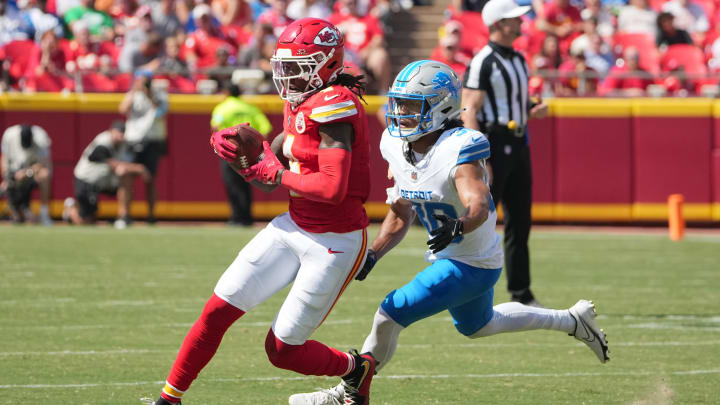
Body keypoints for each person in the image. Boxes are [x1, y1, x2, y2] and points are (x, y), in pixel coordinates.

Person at [288, 60, 609, 405]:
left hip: (471, 262)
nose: (401, 113)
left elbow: (479, 204)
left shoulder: (460, 146)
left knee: (389, 314)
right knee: (479, 326)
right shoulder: (395, 145)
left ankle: (348, 394)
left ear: (441, 106)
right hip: (459, 258)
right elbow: (400, 212)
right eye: (399, 103)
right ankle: (572, 320)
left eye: (411, 105)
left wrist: (460, 224)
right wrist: (374, 253)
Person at [151, 18, 375, 405]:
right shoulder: (303, 100)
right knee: (216, 311)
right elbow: (279, 155)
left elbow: (332, 189)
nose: (287, 76)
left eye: (297, 67)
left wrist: (276, 172)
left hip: (334, 241)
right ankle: (168, 400)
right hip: (294, 224)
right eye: (284, 66)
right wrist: (245, 149)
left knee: (283, 350)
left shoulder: (335, 105)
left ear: (327, 64)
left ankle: (357, 368)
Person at [461, 0, 548, 306]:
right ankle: (466, 288)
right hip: (495, 145)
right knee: (482, 220)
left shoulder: (519, 59)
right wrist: (479, 157)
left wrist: (531, 110)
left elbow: (514, 103)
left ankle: (521, 292)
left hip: (520, 144)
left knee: (520, 221)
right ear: (498, 23)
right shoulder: (484, 60)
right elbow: (469, 109)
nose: (521, 23)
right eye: (514, 19)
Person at [63, 120, 150, 225]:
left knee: (126, 175)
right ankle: (71, 210)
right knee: (86, 221)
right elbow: (115, 165)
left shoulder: (123, 144)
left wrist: (135, 168)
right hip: (86, 180)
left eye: (122, 133)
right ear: (111, 131)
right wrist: (140, 168)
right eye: (118, 132)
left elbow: (123, 166)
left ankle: (124, 216)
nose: (120, 135)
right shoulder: (103, 142)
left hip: (105, 179)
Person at [210, 81, 272, 226]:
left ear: (226, 92)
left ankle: (236, 217)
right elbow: (266, 128)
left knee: (232, 183)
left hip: (229, 152)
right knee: (248, 182)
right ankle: (247, 217)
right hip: (250, 153)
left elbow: (215, 126)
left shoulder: (222, 107)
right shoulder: (250, 108)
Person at [118, 69, 168, 226]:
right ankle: (124, 214)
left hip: (152, 140)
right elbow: (122, 110)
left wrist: (149, 94)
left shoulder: (160, 95)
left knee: (151, 179)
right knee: (126, 176)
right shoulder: (132, 94)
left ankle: (151, 215)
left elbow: (161, 112)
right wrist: (134, 91)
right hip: (133, 139)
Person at [0, 123, 52, 225]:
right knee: (18, 218)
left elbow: (45, 163)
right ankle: (17, 211)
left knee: (44, 175)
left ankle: (44, 214)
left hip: (32, 173)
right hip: (14, 175)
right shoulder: (9, 135)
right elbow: (3, 160)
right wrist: (8, 178)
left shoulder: (40, 137)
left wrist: (27, 172)